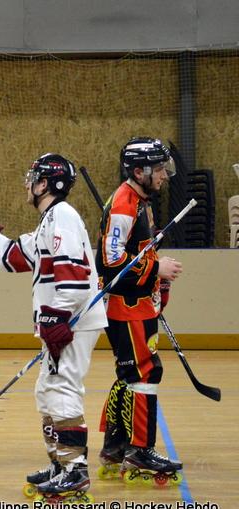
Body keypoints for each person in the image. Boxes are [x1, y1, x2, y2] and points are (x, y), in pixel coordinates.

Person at [0, 153, 107, 503]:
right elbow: (15, 256)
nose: (28, 183)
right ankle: (61, 463)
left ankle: (75, 472)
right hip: (62, 323)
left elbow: (72, 272)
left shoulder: (63, 216)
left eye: (33, 178)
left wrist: (58, 317)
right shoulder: (50, 221)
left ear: (45, 184)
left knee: (62, 389)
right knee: (47, 391)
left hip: (73, 323)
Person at [96, 137, 184, 485]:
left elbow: (133, 249)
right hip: (127, 308)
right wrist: (155, 269)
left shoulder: (140, 201)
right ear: (138, 171)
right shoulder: (124, 204)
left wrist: (154, 268)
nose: (164, 175)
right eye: (159, 169)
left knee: (130, 374)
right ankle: (140, 450)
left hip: (138, 305)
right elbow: (111, 261)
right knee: (145, 374)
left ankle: (116, 446)